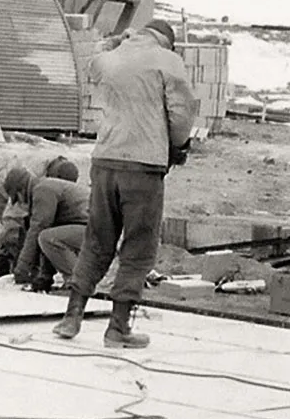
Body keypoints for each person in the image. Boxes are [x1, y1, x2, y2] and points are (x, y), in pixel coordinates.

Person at [55, 18, 197, 348]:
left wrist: (116, 40)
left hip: (104, 160)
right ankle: (117, 328)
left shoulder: (112, 57)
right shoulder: (168, 60)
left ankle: (71, 317)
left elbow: (93, 59)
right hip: (143, 166)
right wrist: (176, 146)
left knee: (96, 240)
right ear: (167, 42)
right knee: (138, 247)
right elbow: (182, 116)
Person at [2, 162, 90, 292]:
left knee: (47, 238)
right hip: (89, 230)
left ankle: (78, 283)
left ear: (21, 191)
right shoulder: (44, 187)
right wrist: (45, 277)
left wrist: (22, 268)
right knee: (49, 237)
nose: (21, 204)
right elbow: (49, 238)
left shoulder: (42, 190)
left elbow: (38, 230)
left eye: (18, 199)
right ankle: (77, 281)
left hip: (97, 232)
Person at [0, 155, 77, 278]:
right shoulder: (33, 176)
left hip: (16, 184)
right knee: (17, 228)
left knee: (43, 231)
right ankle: (5, 257)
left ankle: (34, 268)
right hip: (2, 186)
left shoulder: (61, 172)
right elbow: (20, 220)